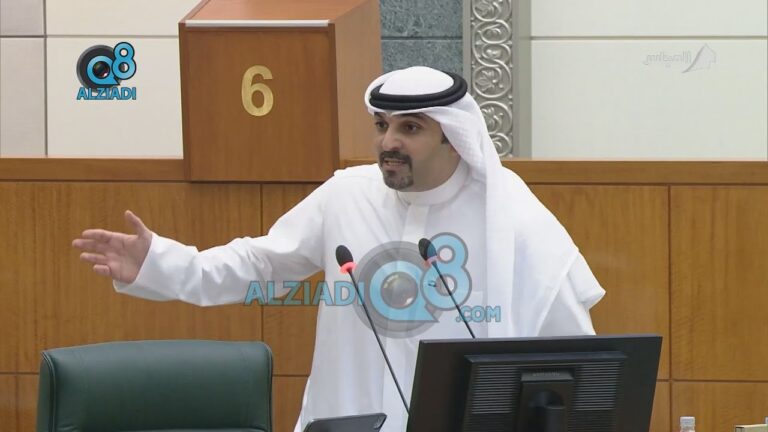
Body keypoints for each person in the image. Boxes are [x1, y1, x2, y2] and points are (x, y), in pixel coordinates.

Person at [72, 66, 605, 432]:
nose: (388, 142)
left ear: (453, 138)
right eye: (382, 126)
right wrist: (160, 264)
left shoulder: (513, 219)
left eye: (410, 128)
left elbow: (579, 366)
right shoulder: (347, 195)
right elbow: (261, 265)